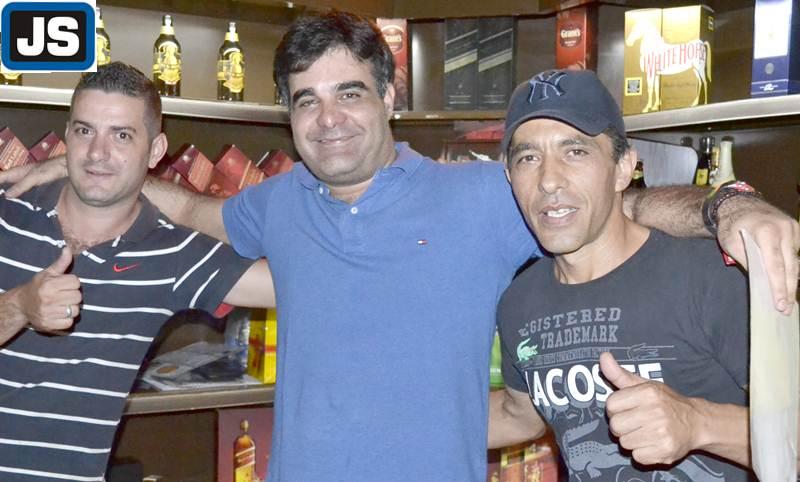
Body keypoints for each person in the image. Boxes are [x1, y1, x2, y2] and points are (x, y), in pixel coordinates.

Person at [0, 12, 797, 482]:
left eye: (349, 93)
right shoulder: (279, 203)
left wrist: (728, 206)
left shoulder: (482, 196)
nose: (329, 119)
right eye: (306, 101)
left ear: (388, 96)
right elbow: (197, 208)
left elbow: (613, 206)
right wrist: (81, 166)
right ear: (288, 117)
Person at [489, 69, 787, 480]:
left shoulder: (710, 277)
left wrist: (699, 423)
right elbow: (520, 416)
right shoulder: (519, 303)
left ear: (623, 168)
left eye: (575, 152)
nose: (549, 180)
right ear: (509, 176)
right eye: (528, 158)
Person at [0, 62, 273, 481]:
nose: (97, 153)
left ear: (156, 150)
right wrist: (20, 306)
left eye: (122, 136)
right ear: (67, 135)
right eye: (85, 131)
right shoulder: (7, 211)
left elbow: (305, 285)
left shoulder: (174, 252)